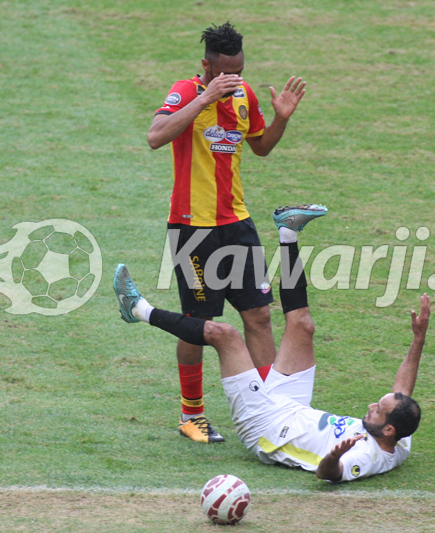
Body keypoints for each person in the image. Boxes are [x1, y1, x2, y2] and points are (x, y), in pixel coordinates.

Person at [113, 210, 430, 482]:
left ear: (387, 430)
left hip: (267, 427)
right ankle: (289, 232)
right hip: (293, 405)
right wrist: (418, 339)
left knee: (225, 335)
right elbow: (403, 390)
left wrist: (334, 456)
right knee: (302, 325)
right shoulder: (401, 437)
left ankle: (138, 309)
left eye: (378, 410)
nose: (372, 406)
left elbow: (328, 475)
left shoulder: (367, 457)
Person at [145, 21, 307, 444]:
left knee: (259, 315)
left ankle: (272, 410)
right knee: (199, 322)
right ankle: (191, 415)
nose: (233, 80)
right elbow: (156, 137)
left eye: (239, 71)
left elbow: (262, 147)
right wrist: (204, 98)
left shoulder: (244, 95)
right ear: (206, 66)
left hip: (236, 224)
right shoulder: (185, 91)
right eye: (224, 73)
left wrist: (281, 119)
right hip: (192, 229)